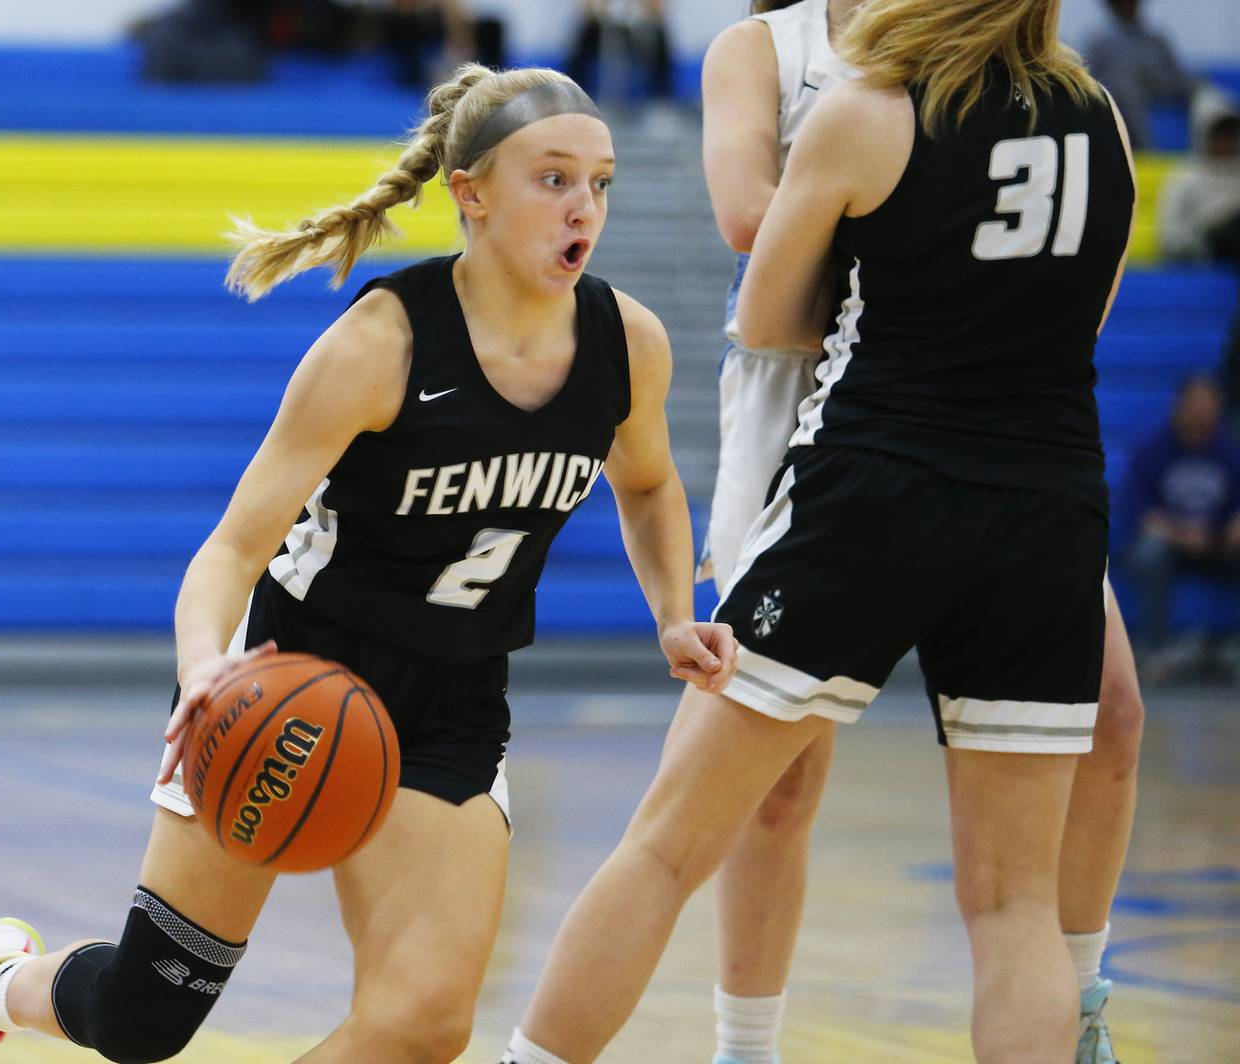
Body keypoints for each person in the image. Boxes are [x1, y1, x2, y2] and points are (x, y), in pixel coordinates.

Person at [0, 62, 739, 1064]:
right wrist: (204, 670)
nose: (584, 206)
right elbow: (233, 545)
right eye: (553, 179)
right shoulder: (380, 345)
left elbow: (653, 483)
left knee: (424, 1023)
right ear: (472, 194)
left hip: (453, 700)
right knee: (145, 1016)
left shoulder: (629, 343)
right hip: (295, 669)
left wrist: (671, 610)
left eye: (601, 182)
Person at [500, 0, 1136, 1060]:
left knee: (665, 845)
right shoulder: (1103, 117)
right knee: (1015, 907)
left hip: (874, 492)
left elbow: (763, 314)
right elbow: (1090, 314)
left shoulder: (869, 109)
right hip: (1047, 503)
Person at [697, 2, 1146, 1061]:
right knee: (773, 784)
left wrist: (926, 240)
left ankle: (1077, 1002)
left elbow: (1065, 278)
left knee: (1114, 716)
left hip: (972, 420)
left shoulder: (1024, 65)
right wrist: (919, 242)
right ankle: (743, 1042)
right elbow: (748, 219)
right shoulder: (766, 48)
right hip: (802, 419)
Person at [1123, 374, 1240, 670]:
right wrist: (1183, 535)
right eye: (1196, 404)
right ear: (1180, 406)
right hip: (1172, 543)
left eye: (1209, 404)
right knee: (1148, 553)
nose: (1201, 412)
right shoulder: (1152, 450)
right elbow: (1142, 515)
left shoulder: (1230, 451)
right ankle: (1154, 649)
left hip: (1219, 543)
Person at [1082, 0, 1192, 151]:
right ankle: (1145, 153)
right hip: (1118, 97)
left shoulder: (1156, 40)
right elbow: (1088, 82)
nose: (1128, 5)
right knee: (1125, 87)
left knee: (1205, 90)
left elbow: (1177, 79)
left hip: (1158, 90)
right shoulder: (1099, 43)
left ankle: (1223, 157)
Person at [1159, 85, 1240, 264]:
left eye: (1231, 135)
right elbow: (1171, 238)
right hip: (1209, 252)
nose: (1226, 142)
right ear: (1204, 135)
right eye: (1218, 135)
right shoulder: (1184, 178)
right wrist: (1206, 241)